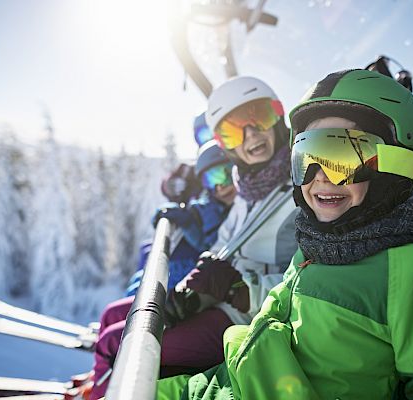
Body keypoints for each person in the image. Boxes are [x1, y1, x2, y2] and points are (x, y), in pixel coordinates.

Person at [156, 69, 413, 399]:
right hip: (230, 380)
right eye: (307, 157)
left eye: (342, 157)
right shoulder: (316, 244)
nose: (320, 177)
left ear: (395, 163)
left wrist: (237, 292)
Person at [88, 75, 298, 399]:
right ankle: (97, 387)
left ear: (278, 116)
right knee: (116, 317)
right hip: (220, 302)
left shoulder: (301, 189)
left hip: (246, 317)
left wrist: (239, 290)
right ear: (225, 143)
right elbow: (221, 247)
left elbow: (304, 278)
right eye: (233, 129)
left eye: (260, 117)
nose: (251, 134)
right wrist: (194, 289)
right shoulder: (248, 187)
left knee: (121, 344)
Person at [126, 139, 236, 296]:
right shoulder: (209, 201)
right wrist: (175, 192)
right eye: (212, 179)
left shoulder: (239, 206)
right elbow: (170, 186)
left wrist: (189, 224)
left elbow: (214, 245)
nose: (220, 186)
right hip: (193, 263)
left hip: (200, 273)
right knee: (147, 256)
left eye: (226, 175)